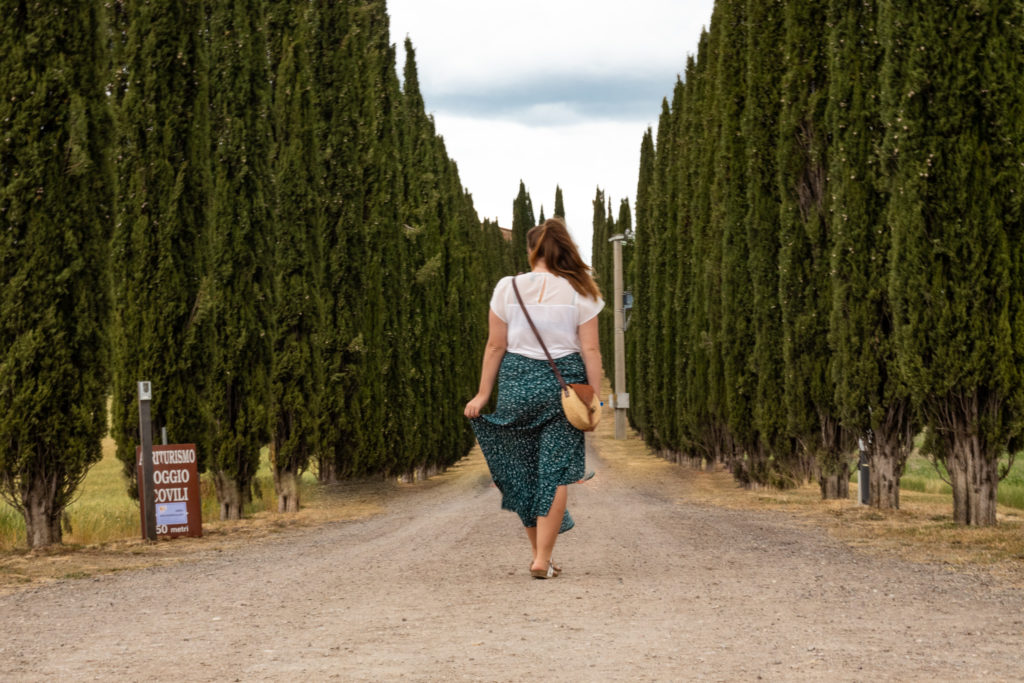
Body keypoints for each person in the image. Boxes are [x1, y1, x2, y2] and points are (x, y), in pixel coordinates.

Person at [464, 217, 604, 579]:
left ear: (531, 251)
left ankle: (539, 557)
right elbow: (590, 349)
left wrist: (482, 395)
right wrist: (595, 398)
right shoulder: (582, 291)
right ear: (564, 250)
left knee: (524, 473)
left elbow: (496, 345)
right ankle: (543, 557)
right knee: (553, 475)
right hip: (565, 389)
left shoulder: (507, 287)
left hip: (517, 383)